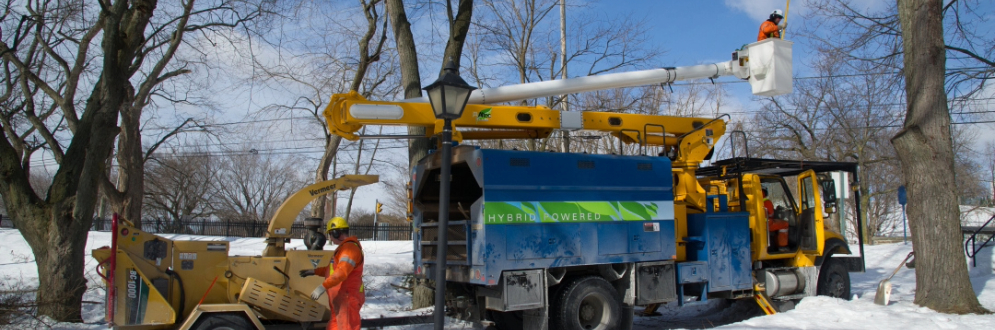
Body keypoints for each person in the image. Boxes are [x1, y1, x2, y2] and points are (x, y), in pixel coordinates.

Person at [300, 217, 365, 330]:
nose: (329, 238)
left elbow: (341, 272)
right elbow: (332, 269)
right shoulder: (343, 249)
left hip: (347, 299)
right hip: (340, 298)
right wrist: (314, 271)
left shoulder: (349, 249)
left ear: (336, 233)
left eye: (330, 234)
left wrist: (323, 286)